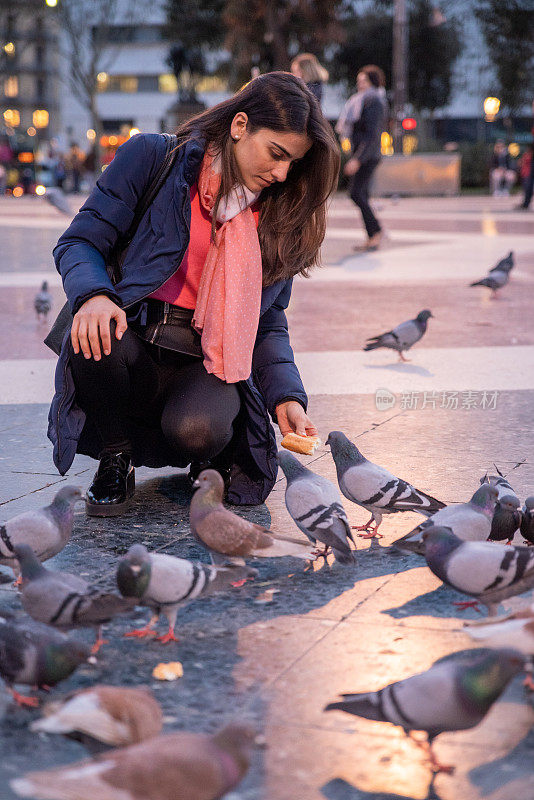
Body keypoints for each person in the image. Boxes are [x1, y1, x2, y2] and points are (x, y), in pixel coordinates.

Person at [48, 72, 340, 516]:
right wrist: (93, 296)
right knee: (90, 332)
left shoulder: (277, 218)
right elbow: (80, 241)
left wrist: (287, 397)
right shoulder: (153, 158)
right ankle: (116, 454)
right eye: (276, 154)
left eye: (292, 164)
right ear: (240, 125)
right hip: (132, 335)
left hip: (206, 360)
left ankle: (209, 454)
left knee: (197, 428)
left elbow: (267, 321)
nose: (281, 174)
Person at [336, 64, 387, 251]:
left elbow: (372, 135)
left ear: (373, 82)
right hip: (364, 154)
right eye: (358, 81)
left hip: (368, 156)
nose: (360, 84)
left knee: (355, 193)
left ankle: (376, 231)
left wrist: (357, 159)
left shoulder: (375, 102)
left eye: (364, 81)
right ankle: (372, 235)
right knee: (361, 193)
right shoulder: (360, 101)